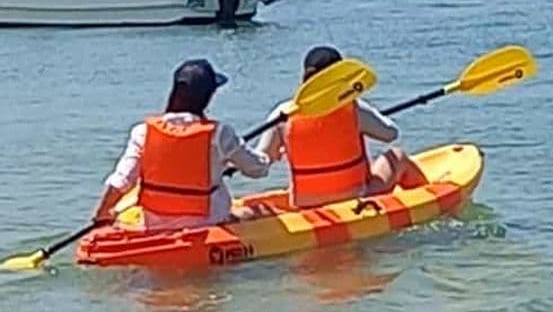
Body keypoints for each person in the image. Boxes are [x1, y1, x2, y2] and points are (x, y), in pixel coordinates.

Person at [93, 59, 272, 229]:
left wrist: (102, 214)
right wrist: (265, 155)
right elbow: (257, 170)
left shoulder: (143, 132)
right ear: (208, 97)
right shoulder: (220, 134)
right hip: (209, 223)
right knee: (260, 211)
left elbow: (122, 180)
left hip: (154, 225)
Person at [257, 46, 428, 209]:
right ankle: (428, 199)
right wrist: (370, 116)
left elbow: (261, 163)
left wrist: (280, 150)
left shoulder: (282, 114)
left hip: (304, 202)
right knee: (397, 156)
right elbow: (391, 134)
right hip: (356, 197)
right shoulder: (354, 108)